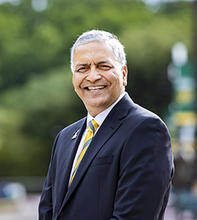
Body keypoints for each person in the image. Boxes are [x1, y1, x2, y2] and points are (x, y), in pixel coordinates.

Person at [39, 30, 174, 220]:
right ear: (74, 78)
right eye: (82, 68)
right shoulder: (65, 137)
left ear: (123, 74)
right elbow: (47, 212)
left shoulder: (146, 129)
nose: (93, 77)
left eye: (103, 66)